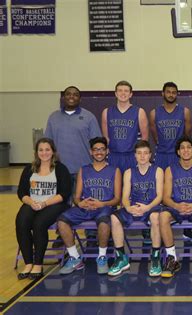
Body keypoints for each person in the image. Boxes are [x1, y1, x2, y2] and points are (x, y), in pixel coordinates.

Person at [57, 137, 121, 275]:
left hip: (104, 207)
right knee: (62, 220)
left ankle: (102, 257)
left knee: (104, 222)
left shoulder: (114, 171)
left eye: (102, 149)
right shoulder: (83, 170)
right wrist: (79, 202)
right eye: (96, 150)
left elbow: (117, 199)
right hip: (85, 208)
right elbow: (77, 196)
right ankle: (74, 257)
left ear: (107, 151)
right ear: (91, 152)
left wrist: (102, 203)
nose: (99, 152)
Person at [16, 138, 72, 280]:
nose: (44, 153)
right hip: (33, 202)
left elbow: (64, 194)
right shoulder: (29, 169)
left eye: (47, 149)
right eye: (41, 150)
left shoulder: (60, 168)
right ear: (36, 152)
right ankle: (28, 263)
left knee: (39, 224)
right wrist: (31, 202)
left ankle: (38, 264)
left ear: (53, 151)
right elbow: (21, 192)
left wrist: (44, 204)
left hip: (54, 204)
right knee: (21, 222)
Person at [108, 140, 164, 277]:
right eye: (139, 153)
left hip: (151, 206)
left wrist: (147, 207)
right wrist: (128, 207)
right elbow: (125, 196)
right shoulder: (128, 172)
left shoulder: (158, 170)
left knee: (156, 217)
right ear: (135, 155)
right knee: (114, 218)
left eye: (145, 153)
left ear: (150, 155)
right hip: (134, 206)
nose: (142, 156)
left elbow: (160, 196)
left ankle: (156, 258)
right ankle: (121, 258)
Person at [160, 136, 192, 278]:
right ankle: (172, 258)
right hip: (177, 206)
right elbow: (165, 197)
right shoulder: (170, 169)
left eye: (189, 147)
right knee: (163, 216)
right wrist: (176, 206)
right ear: (178, 152)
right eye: (182, 148)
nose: (186, 150)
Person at [150, 82, 192, 242]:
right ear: (163, 94)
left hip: (178, 155)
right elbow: (154, 135)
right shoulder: (155, 113)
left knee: (184, 188)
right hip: (162, 155)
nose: (171, 94)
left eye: (173, 92)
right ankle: (161, 225)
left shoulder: (185, 112)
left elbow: (187, 134)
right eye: (168, 92)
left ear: (177, 94)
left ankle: (187, 228)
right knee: (162, 192)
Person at [45, 86, 102, 180]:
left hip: (83, 170)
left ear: (80, 99)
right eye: (68, 94)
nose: (71, 97)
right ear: (63, 97)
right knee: (60, 195)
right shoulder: (53, 117)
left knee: (80, 195)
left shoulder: (89, 117)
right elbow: (47, 144)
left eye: (75, 95)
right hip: (59, 170)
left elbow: (97, 144)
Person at [101, 80, 149, 174]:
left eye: (126, 91)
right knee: (115, 187)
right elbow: (106, 138)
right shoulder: (106, 112)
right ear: (115, 93)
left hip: (131, 156)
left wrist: (140, 157)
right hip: (113, 156)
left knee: (131, 186)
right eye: (120, 90)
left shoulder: (139, 112)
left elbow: (145, 138)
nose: (123, 93)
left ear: (131, 94)